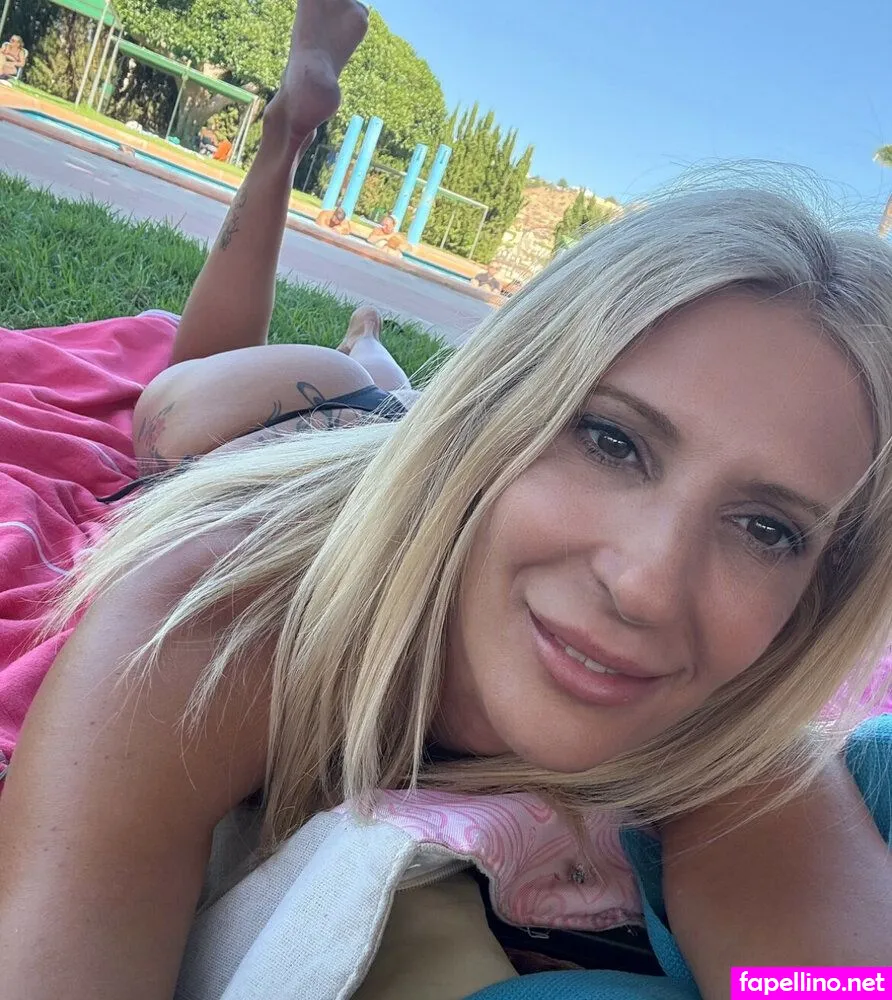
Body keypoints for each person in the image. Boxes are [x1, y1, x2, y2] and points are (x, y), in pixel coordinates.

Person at [1, 1, 891, 999]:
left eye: (766, 528)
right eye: (611, 440)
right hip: (303, 433)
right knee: (178, 405)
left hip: (433, 454)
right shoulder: (215, 619)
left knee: (376, 394)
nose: (646, 584)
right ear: (496, 411)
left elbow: (830, 984)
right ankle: (292, 135)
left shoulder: (731, 730)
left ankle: (387, 364)